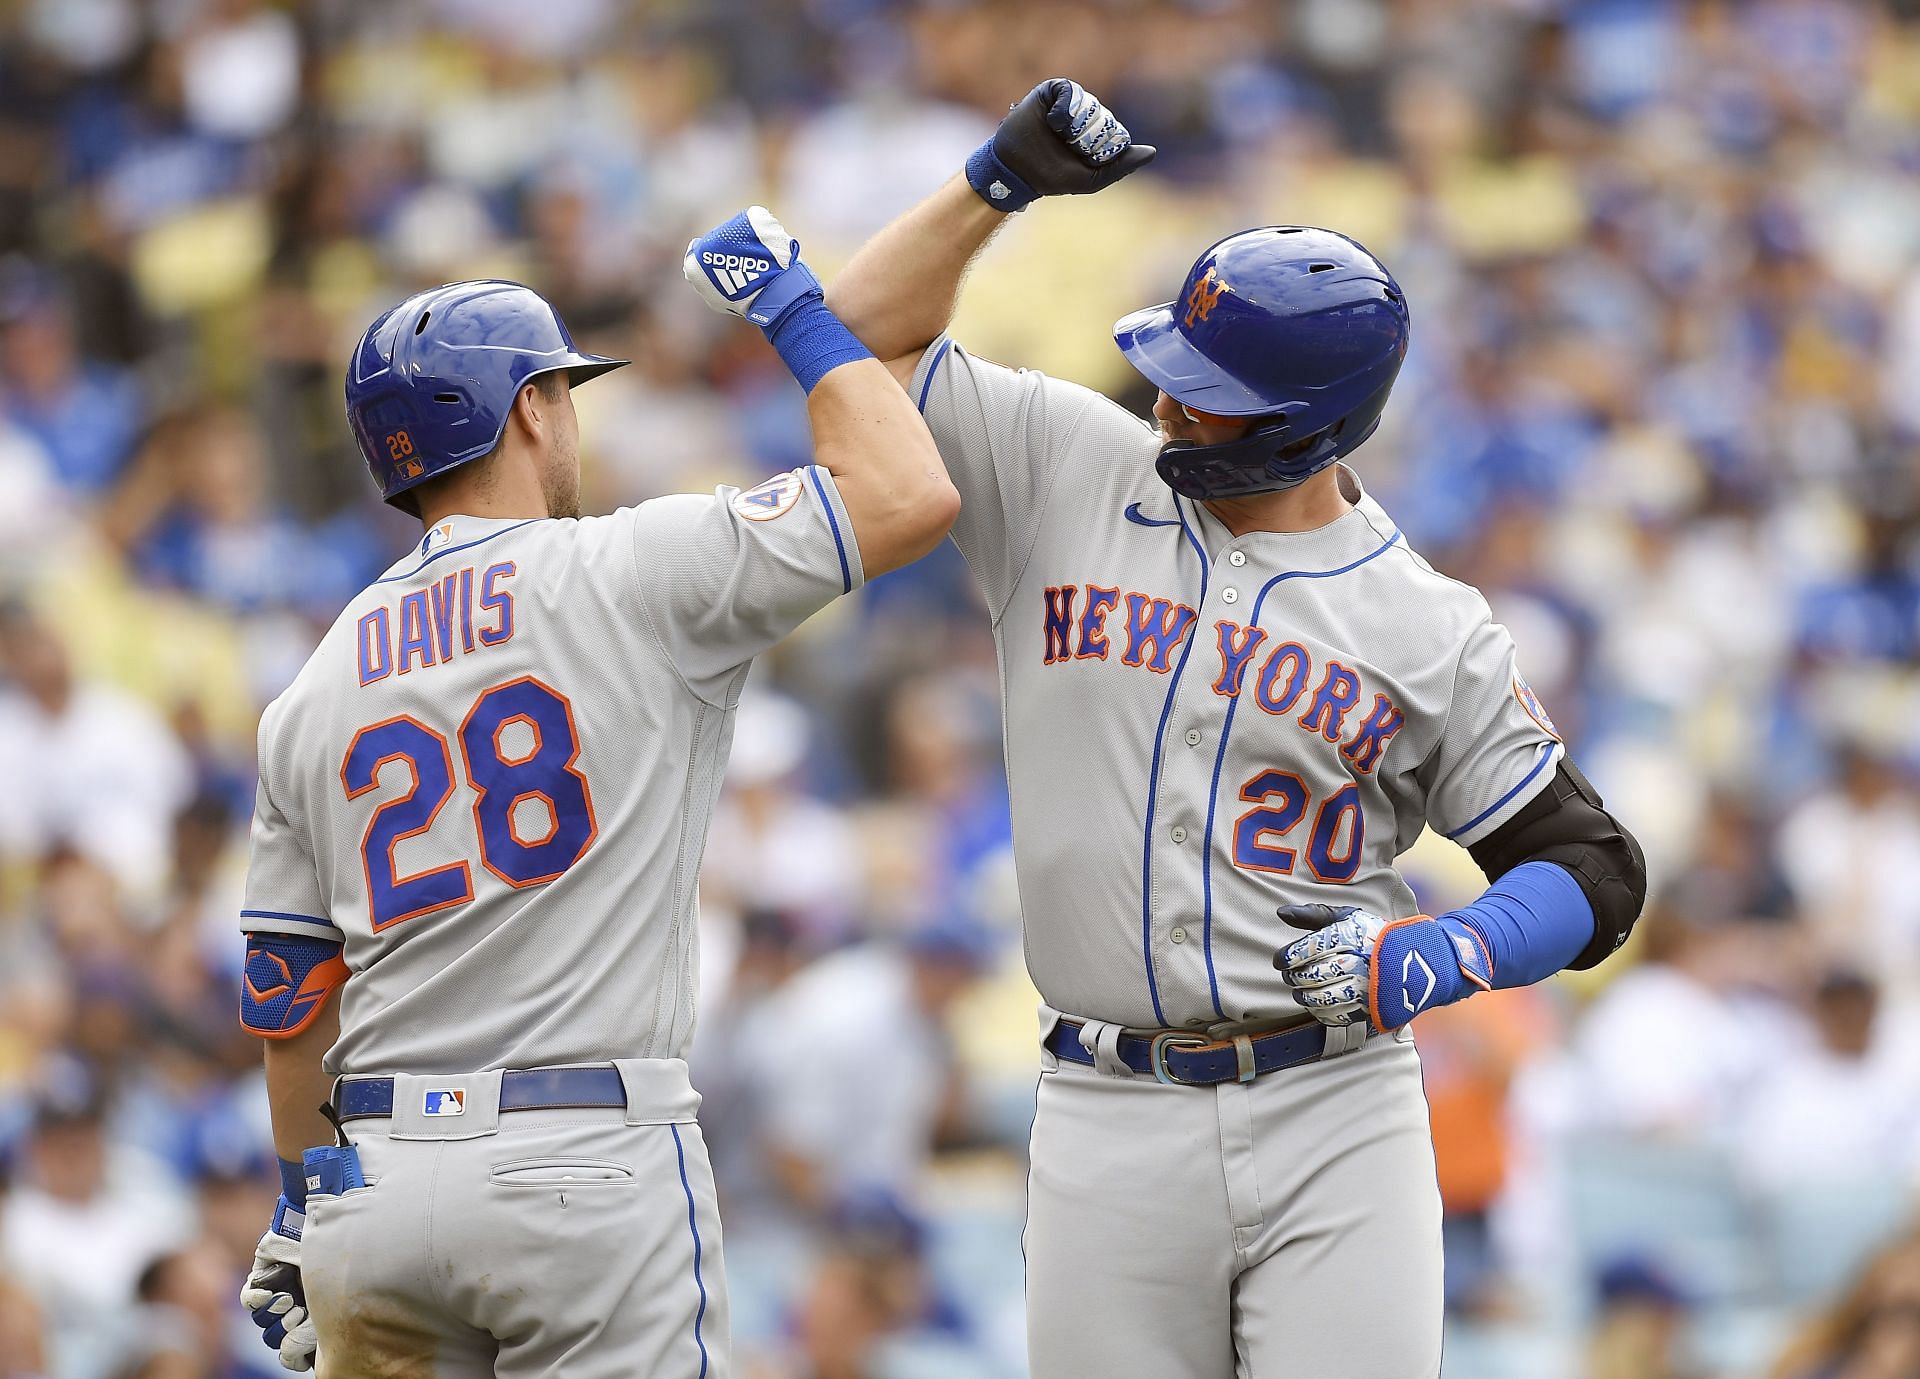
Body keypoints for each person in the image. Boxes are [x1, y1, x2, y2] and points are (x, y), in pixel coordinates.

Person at [827, 77, 1647, 1376]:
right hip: (1103, 1105)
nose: (1168, 407)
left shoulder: (1421, 621)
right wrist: (997, 184)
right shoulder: (1072, 466)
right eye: (1172, 374)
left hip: (1333, 1106)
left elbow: (1596, 870)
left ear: (1315, 427)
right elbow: (857, 338)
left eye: (1210, 396)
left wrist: (1444, 951)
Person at [234, 212, 958, 1376]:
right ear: (528, 408)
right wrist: (786, 304)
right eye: (563, 391)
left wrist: (304, 1199)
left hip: (373, 1188)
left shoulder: (312, 685)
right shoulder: (630, 566)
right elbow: (908, 490)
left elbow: (289, 1007)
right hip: (580, 1159)